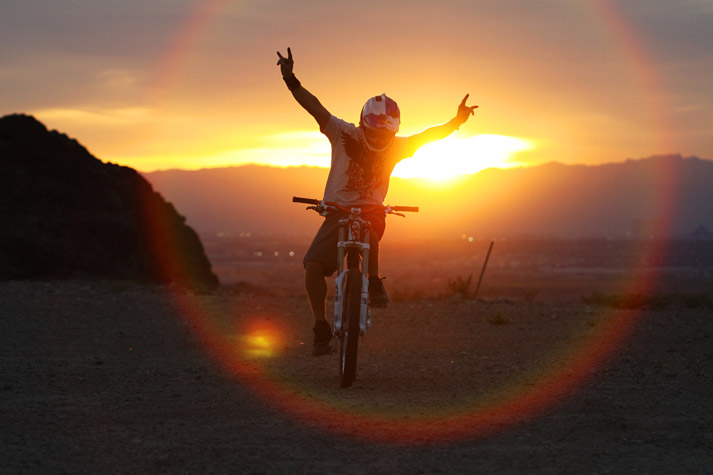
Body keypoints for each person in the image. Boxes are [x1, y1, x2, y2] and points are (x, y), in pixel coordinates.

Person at [276, 47, 478, 356]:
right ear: (363, 123)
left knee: (369, 222)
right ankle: (320, 325)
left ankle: (373, 280)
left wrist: (456, 121)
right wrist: (291, 80)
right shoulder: (341, 132)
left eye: (386, 134)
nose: (381, 139)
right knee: (313, 267)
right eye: (376, 132)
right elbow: (314, 107)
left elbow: (429, 136)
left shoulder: (397, 146)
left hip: (371, 212)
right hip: (337, 211)